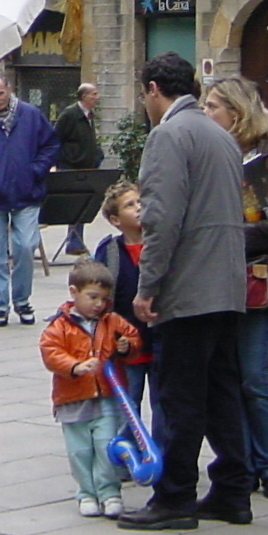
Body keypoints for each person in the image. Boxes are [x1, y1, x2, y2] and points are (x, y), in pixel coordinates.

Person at [116, 53, 252, 531]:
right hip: (225, 284)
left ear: (154, 89)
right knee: (221, 393)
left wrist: (148, 286)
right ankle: (234, 490)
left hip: (189, 288)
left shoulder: (169, 135)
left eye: (143, 94)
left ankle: (174, 495)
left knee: (179, 396)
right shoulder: (220, 134)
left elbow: (161, 218)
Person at [202, 75, 268, 500]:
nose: (206, 113)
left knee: (254, 377)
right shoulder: (206, 153)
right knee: (225, 378)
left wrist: (244, 234)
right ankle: (239, 463)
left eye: (213, 106)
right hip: (212, 280)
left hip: (257, 280)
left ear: (236, 112)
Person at [38, 258, 137, 519]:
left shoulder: (111, 320)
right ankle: (86, 492)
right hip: (72, 397)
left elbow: (132, 336)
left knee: (106, 445)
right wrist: (74, 366)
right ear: (74, 293)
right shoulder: (59, 325)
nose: (98, 304)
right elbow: (50, 352)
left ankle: (110, 492)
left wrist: (128, 345)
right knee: (80, 450)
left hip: (106, 395)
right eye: (92, 297)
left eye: (103, 299)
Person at [0, 75, 60, 327]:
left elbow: (50, 146)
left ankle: (22, 299)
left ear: (9, 90)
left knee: (25, 246)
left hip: (26, 193)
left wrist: (35, 170)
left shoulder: (31, 115)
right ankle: (0, 306)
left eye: (0, 94)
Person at [91, 180, 156, 437]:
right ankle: (125, 456)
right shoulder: (109, 251)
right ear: (116, 220)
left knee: (165, 403)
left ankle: (165, 456)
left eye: (140, 201)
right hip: (126, 343)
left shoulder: (162, 243)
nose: (139, 207)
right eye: (130, 205)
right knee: (127, 404)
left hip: (161, 338)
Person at [51, 84, 104, 255]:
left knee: (81, 205)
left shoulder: (89, 115)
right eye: (93, 94)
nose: (97, 97)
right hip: (71, 167)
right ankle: (73, 242)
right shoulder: (70, 114)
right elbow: (55, 138)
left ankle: (75, 243)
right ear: (83, 97)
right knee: (71, 205)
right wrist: (59, 161)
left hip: (86, 166)